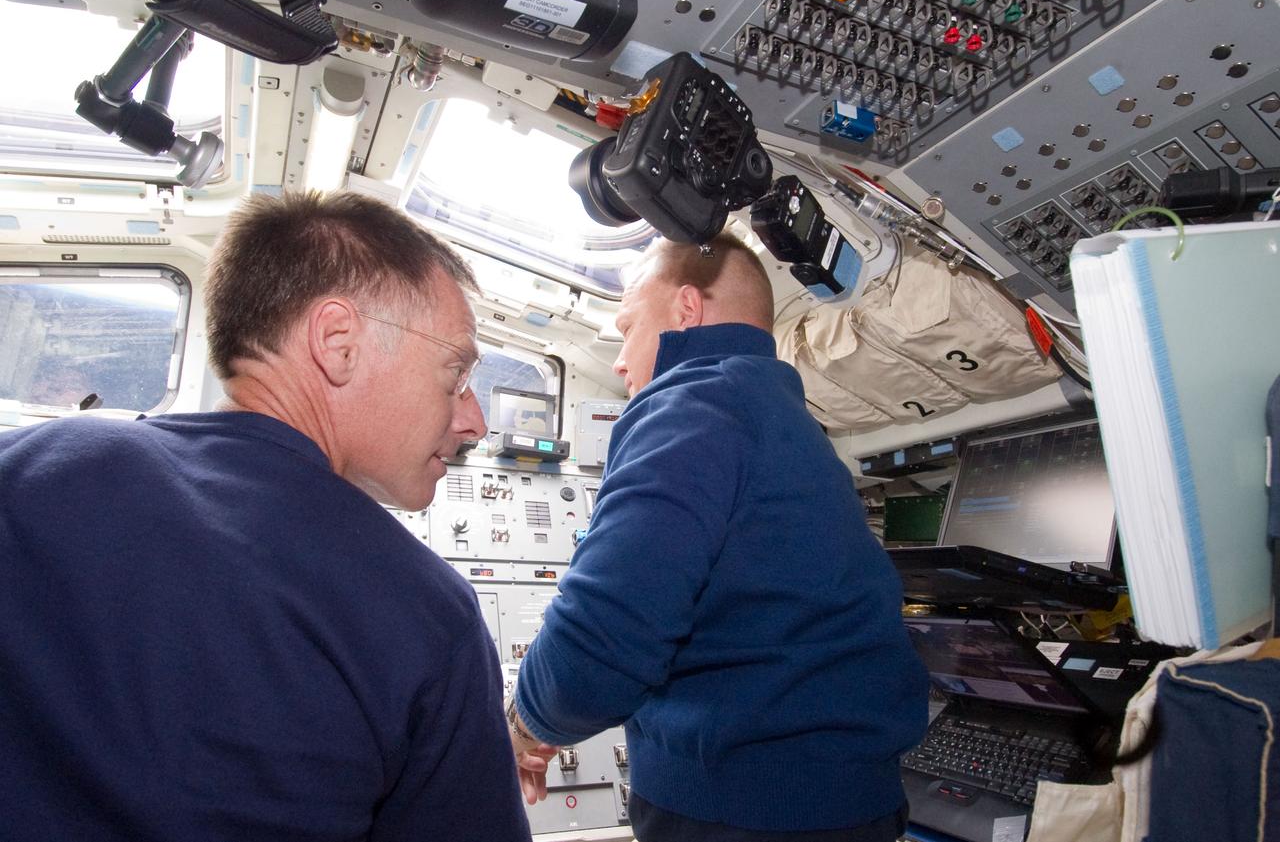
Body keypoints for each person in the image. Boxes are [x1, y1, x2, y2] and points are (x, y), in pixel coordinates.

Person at [0, 191, 532, 842]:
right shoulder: (428, 613)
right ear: (338, 343)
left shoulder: (31, 463)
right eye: (455, 372)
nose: (473, 420)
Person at [508, 233, 930, 841]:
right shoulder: (790, 423)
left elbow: (603, 634)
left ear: (686, 310)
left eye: (628, 328)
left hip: (736, 813)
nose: (621, 361)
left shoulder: (690, 404)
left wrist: (524, 725)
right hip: (851, 805)